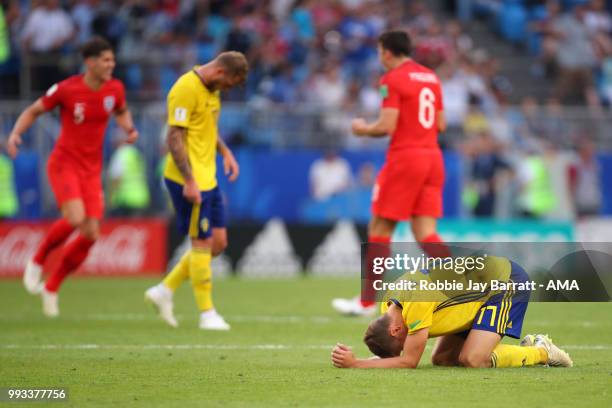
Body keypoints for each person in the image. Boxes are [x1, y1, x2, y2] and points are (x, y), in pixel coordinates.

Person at [7, 36, 138, 317]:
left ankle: (52, 287)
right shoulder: (67, 89)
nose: (111, 65)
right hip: (64, 163)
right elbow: (34, 110)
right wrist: (16, 133)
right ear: (89, 63)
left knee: (91, 233)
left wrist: (129, 129)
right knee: (76, 218)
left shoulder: (115, 88)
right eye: (105, 60)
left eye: (112, 60)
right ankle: (38, 258)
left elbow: (122, 111)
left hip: (91, 169)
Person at [332, 30, 449, 316]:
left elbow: (386, 126)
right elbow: (441, 124)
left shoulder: (392, 79)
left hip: (406, 158)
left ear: (386, 51)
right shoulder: (431, 78)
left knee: (379, 229)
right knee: (425, 232)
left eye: (378, 51)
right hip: (433, 157)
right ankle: (463, 287)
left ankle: (366, 302)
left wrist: (362, 129)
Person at [144, 51, 247, 331]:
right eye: (228, 84)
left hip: (208, 177)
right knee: (201, 243)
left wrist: (226, 153)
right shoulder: (185, 89)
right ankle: (207, 314)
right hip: (186, 179)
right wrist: (189, 180)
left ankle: (165, 289)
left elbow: (208, 128)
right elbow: (174, 136)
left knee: (218, 244)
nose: (226, 90)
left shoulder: (213, 89)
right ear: (221, 73)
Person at [331, 256, 573, 369]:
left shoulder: (416, 301)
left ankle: (541, 351)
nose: (409, 344)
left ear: (395, 330)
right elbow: (402, 355)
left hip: (504, 283)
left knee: (473, 360)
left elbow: (408, 362)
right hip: (471, 297)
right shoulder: (389, 306)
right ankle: (526, 347)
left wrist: (356, 363)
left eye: (402, 343)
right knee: (442, 359)